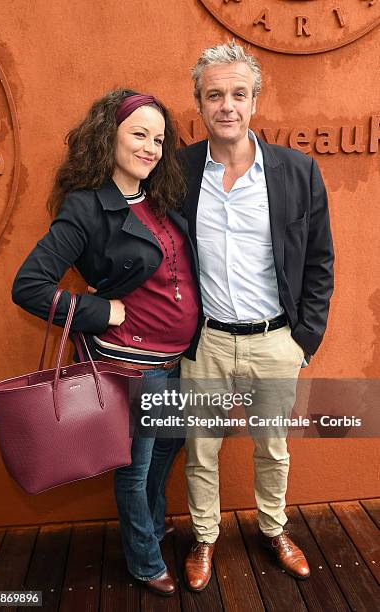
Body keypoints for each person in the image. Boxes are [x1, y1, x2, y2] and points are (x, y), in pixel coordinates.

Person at [12, 88, 200, 596]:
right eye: (138, 134)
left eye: (158, 138)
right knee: (135, 468)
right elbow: (28, 285)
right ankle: (144, 560)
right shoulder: (87, 208)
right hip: (131, 365)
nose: (150, 148)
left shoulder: (163, 197)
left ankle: (151, 525)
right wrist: (99, 311)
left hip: (177, 359)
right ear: (107, 138)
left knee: (168, 448)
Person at [178, 42, 334, 591]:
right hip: (207, 343)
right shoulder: (178, 170)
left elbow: (319, 260)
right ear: (198, 102)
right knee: (202, 447)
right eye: (214, 94)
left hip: (275, 340)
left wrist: (303, 340)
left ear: (254, 101)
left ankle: (274, 528)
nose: (227, 105)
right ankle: (204, 538)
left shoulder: (297, 171)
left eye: (238, 94)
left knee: (274, 446)